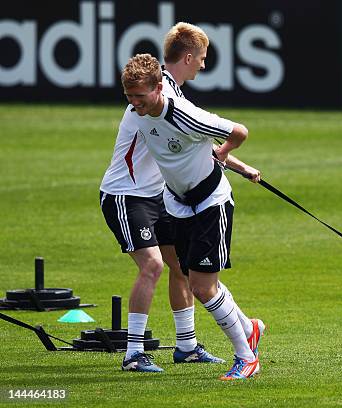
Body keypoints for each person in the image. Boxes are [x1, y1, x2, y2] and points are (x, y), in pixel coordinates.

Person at [100, 22, 264, 373]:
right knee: (165, 269)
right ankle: (134, 353)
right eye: (202, 58)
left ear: (157, 84)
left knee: (190, 276)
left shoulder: (173, 100)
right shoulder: (146, 103)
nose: (133, 105)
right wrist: (231, 158)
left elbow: (200, 138)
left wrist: (236, 163)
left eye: (138, 98)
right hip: (130, 194)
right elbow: (196, 139)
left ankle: (200, 346)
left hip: (186, 197)